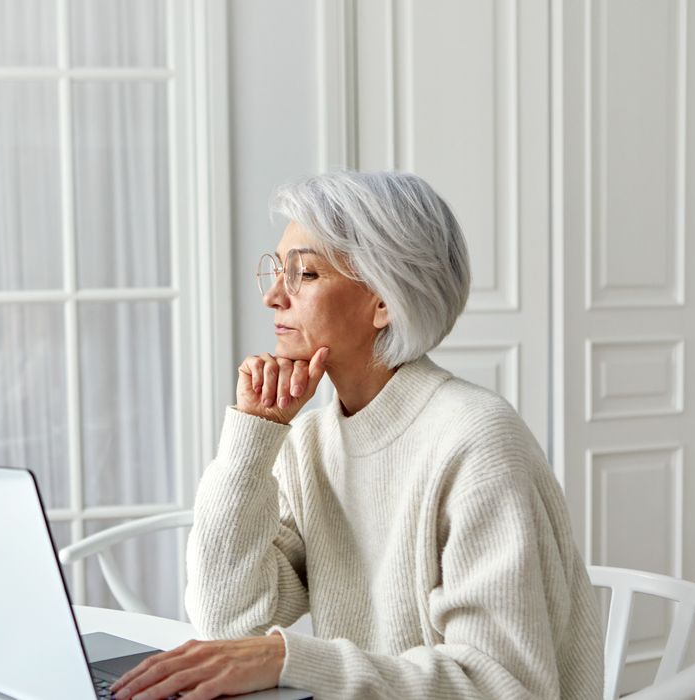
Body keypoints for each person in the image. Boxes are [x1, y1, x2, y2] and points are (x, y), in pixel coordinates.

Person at [110, 172, 603, 699]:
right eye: (277, 271)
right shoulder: (314, 442)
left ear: (384, 301)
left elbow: (504, 686)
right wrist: (253, 438)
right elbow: (225, 619)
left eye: (305, 273)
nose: (274, 296)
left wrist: (289, 659)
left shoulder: (476, 439)